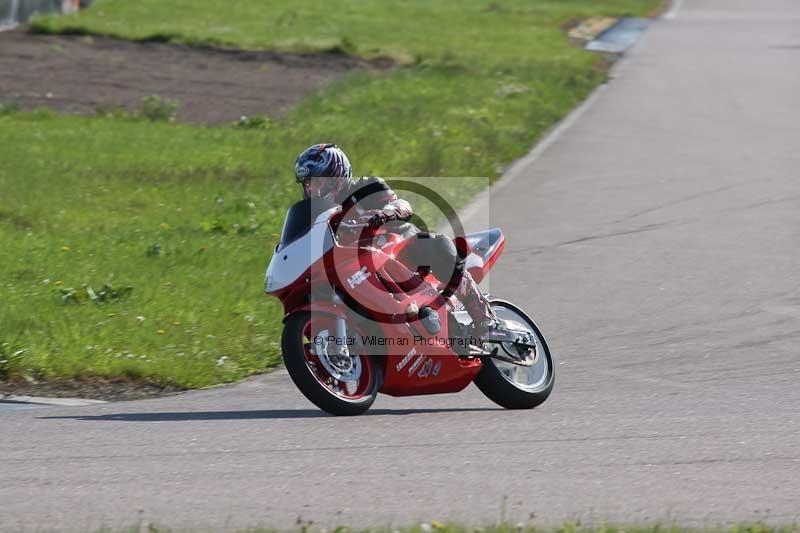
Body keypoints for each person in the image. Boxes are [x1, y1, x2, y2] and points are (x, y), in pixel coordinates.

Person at [294, 143, 497, 336]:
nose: (315, 191)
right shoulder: (319, 219)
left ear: (337, 176)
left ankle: (484, 317)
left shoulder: (367, 186)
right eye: (310, 186)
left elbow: (402, 204)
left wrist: (384, 215)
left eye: (320, 184)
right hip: (360, 272)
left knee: (434, 245)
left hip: (398, 249)